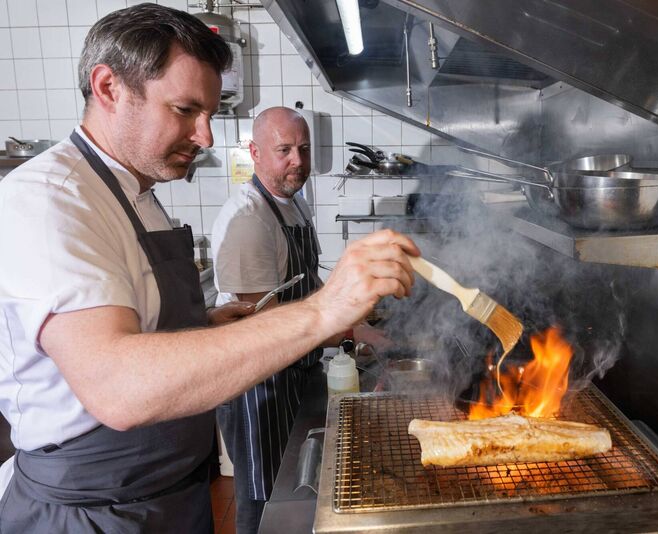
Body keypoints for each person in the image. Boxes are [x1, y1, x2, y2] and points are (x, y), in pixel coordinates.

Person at [0, 4, 418, 534]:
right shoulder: (50, 200)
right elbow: (118, 387)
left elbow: (139, 331)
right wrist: (325, 309)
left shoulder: (138, 194)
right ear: (108, 88)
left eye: (210, 115)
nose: (204, 137)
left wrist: (202, 326)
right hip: (92, 512)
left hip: (168, 494)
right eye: (183, 110)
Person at [212, 107, 385, 531]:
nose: (298, 161)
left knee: (288, 490)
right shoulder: (249, 221)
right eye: (284, 150)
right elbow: (264, 323)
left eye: (304, 149)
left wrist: (353, 307)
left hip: (291, 370)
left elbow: (303, 288)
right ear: (254, 152)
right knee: (262, 499)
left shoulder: (293, 204)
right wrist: (353, 331)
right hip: (258, 387)